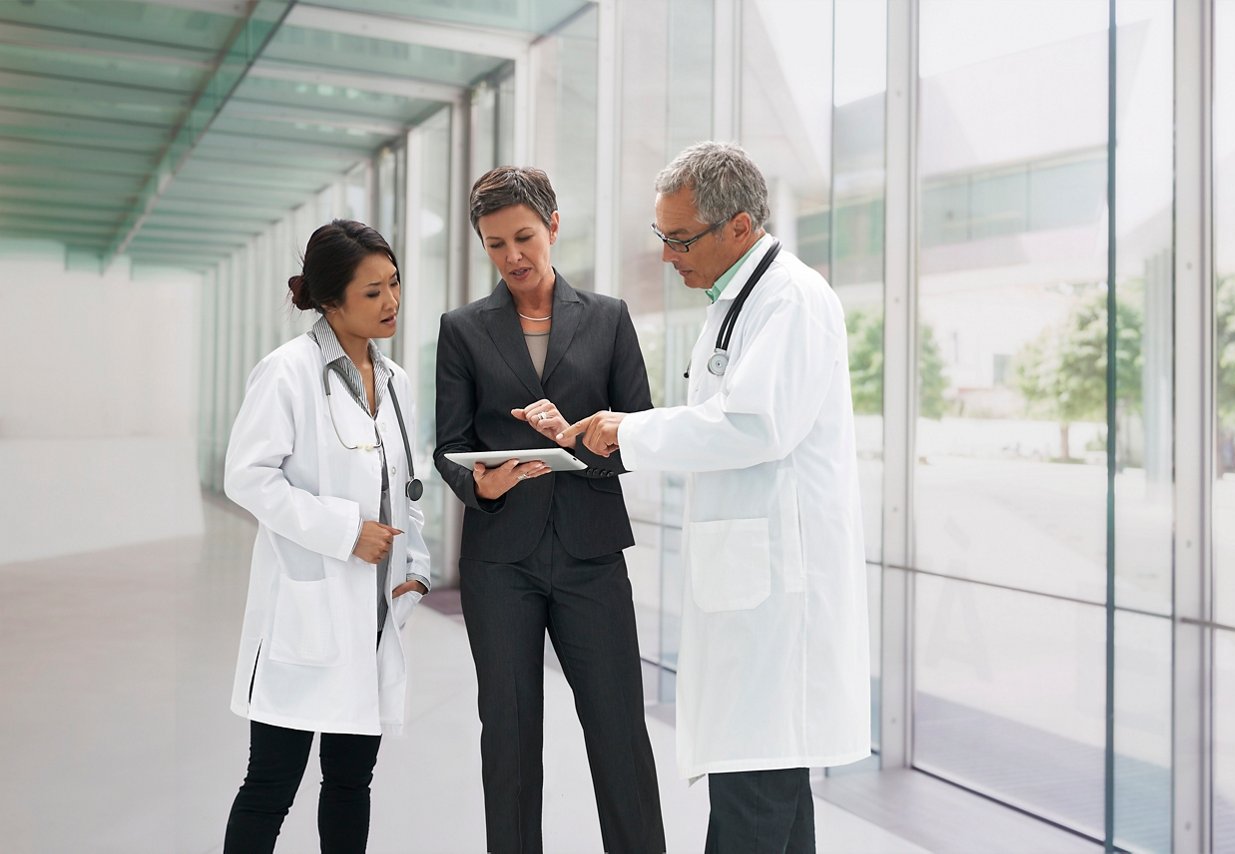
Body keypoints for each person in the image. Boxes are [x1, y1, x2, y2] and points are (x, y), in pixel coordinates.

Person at [560, 142, 871, 854]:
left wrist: (627, 432)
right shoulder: (737, 302)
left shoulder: (792, 299)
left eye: (680, 238)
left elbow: (753, 424)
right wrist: (616, 434)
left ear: (737, 225)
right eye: (661, 237)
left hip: (775, 604)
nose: (667, 255)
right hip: (747, 597)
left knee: (753, 797)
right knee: (768, 797)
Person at [434, 166, 665, 854]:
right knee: (507, 734)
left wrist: (575, 437)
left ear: (554, 226)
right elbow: (450, 446)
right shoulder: (463, 330)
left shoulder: (610, 319)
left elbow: (638, 437)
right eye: (496, 243)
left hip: (591, 555)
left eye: (524, 237)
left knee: (618, 730)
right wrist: (485, 486)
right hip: (500, 560)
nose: (513, 256)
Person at [221, 220, 431, 853]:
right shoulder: (286, 373)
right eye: (373, 292)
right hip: (304, 615)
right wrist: (345, 533)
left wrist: (415, 569)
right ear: (331, 300)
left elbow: (406, 489)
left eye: (394, 283)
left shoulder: (396, 384)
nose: (392, 301)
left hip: (372, 615)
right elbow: (248, 478)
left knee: (349, 784)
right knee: (270, 785)